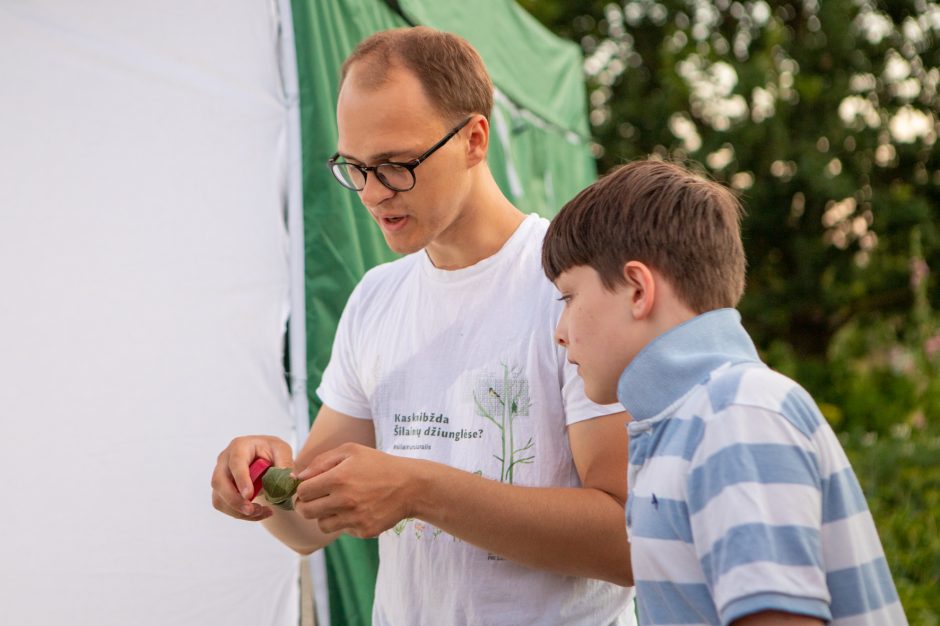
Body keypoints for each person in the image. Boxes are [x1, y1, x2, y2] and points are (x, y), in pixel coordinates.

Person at [211, 26, 636, 625]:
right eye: (353, 167)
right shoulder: (376, 299)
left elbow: (629, 540)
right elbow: (307, 524)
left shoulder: (570, 284)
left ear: (474, 139)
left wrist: (417, 489)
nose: (371, 193)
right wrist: (260, 484)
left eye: (394, 165)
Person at [541, 159, 907, 626]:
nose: (560, 331)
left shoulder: (733, 415)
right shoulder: (681, 424)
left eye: (568, 298)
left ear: (637, 289)